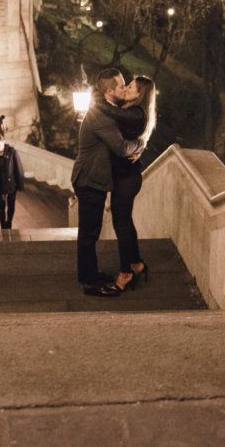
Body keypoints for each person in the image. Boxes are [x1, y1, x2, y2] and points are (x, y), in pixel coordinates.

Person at [71, 68, 145, 294]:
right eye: (122, 85)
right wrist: (140, 145)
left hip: (95, 178)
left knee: (92, 230)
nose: (125, 88)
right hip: (89, 179)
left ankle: (91, 272)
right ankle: (87, 277)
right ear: (110, 91)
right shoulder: (99, 115)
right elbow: (122, 148)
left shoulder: (110, 110)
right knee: (89, 232)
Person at [102, 75, 156, 293]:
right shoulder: (133, 112)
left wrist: (98, 97)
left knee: (121, 224)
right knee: (124, 222)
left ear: (139, 93)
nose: (127, 88)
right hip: (126, 176)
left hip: (127, 178)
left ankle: (126, 273)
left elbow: (112, 112)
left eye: (131, 87)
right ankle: (136, 264)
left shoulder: (135, 113)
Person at [0, 134, 24, 229]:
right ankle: (3, 225)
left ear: (3, 142)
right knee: (1, 206)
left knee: (11, 205)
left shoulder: (12, 152)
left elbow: (18, 169)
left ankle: (9, 222)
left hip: (11, 184)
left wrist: (20, 185)